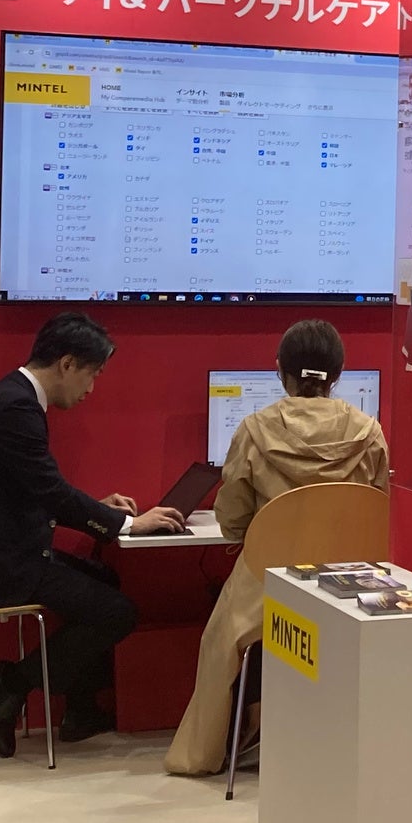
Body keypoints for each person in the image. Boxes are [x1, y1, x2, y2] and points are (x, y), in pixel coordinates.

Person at [0, 312, 186, 755]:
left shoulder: (12, 398)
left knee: (104, 579)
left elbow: (31, 489)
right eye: (92, 374)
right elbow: (51, 492)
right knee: (118, 613)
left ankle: (80, 709)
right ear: (67, 363)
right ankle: (11, 682)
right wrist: (128, 524)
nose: (91, 388)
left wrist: (100, 508)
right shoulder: (16, 408)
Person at [164, 321, 391, 778]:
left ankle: (209, 750)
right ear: (338, 375)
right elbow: (378, 511)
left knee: (219, 640)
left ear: (279, 371)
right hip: (349, 586)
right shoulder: (370, 433)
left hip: (270, 586)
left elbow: (231, 521)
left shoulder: (254, 430)